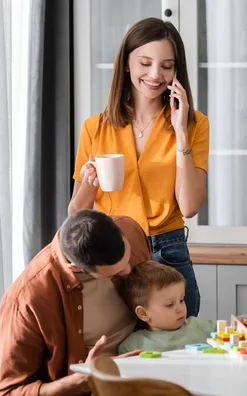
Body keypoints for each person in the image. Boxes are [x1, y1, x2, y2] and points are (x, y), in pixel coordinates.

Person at [68, 17, 209, 319]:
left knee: (179, 351)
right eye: (145, 63)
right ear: (127, 64)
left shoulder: (195, 125)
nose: (155, 75)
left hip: (167, 250)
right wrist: (90, 184)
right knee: (121, 352)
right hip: (114, 252)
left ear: (176, 71)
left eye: (167, 66)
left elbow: (190, 205)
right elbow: (76, 214)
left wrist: (181, 131)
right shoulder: (96, 127)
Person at [0, 210, 151, 396]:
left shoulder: (129, 227)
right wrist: (83, 380)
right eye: (112, 274)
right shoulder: (26, 300)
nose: (128, 272)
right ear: (75, 268)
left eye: (128, 256)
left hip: (152, 365)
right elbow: (7, 394)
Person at [118, 261, 215, 354]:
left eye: (181, 300)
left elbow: (228, 331)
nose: (180, 309)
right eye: (169, 304)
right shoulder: (133, 345)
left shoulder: (198, 326)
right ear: (143, 313)